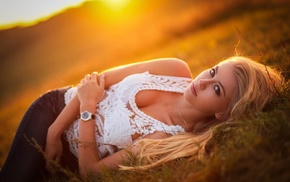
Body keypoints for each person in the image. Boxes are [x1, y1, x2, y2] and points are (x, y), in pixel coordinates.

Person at [0, 56, 284, 181]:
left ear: (223, 113)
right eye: (212, 71)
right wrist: (53, 131)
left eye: (217, 89)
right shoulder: (174, 69)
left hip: (72, 150)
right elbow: (96, 81)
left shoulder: (165, 139)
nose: (203, 81)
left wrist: (88, 108)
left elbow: (91, 174)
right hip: (55, 108)